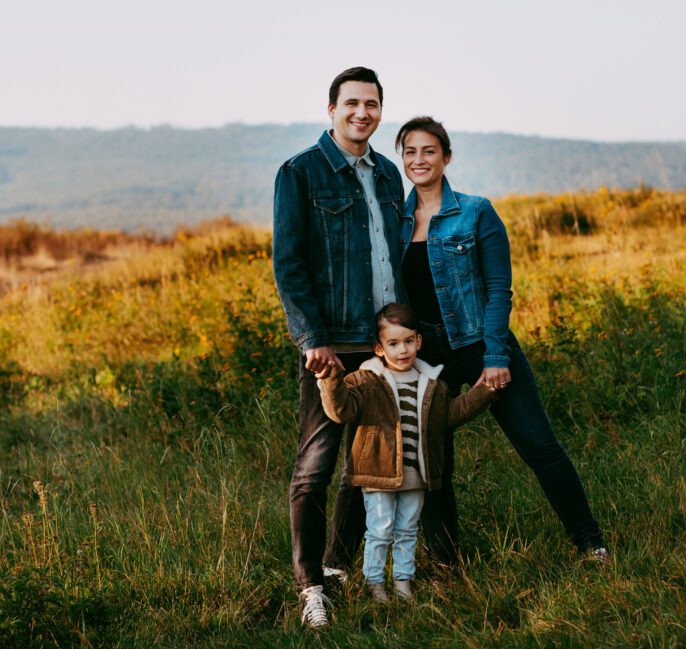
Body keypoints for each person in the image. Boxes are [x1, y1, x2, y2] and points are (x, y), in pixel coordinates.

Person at [395, 116, 609, 565]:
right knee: (434, 465)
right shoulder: (395, 222)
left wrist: (495, 355)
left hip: (481, 348)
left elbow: (498, 289)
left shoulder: (476, 212)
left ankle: (590, 542)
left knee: (539, 446)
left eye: (429, 151)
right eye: (410, 152)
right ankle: (446, 563)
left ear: (446, 157)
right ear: (402, 158)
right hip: (427, 358)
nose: (419, 160)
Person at [272, 67, 406, 627]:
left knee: (367, 462)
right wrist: (312, 339)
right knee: (316, 464)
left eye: (371, 104)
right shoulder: (301, 173)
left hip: (380, 346)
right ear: (331, 109)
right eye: (352, 103)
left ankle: (339, 566)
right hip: (329, 347)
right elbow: (289, 262)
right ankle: (310, 590)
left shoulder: (389, 175)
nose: (362, 113)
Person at [318, 303, 497, 602]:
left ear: (419, 341)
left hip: (417, 474)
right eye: (393, 343)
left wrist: (485, 391)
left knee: (407, 530)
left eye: (409, 341)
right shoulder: (364, 381)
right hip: (378, 474)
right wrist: (331, 379)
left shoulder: (432, 384)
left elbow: (452, 413)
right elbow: (341, 411)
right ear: (378, 348)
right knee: (379, 530)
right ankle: (375, 585)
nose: (403, 350)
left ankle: (403, 583)